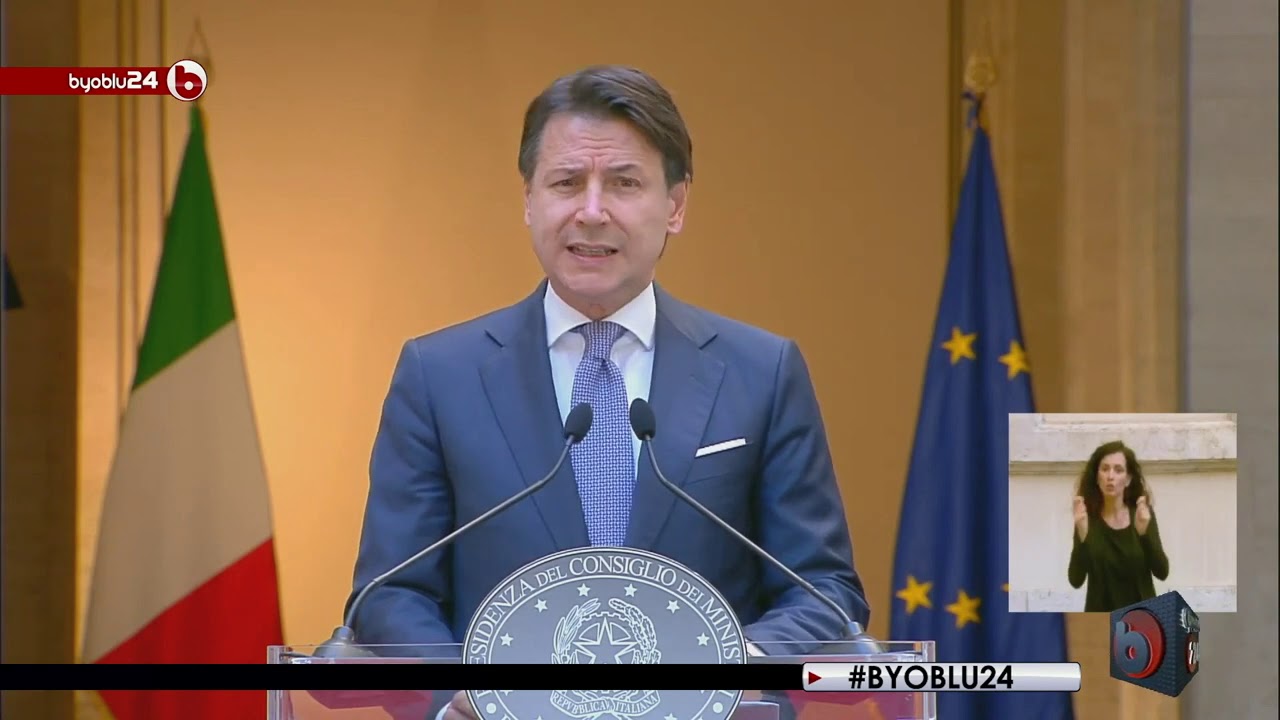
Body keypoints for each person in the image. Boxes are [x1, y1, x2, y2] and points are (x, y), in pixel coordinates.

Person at [347, 64, 869, 719]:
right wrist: (471, 690)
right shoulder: (438, 374)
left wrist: (735, 669)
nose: (591, 213)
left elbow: (822, 587)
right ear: (529, 201)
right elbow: (389, 592)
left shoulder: (760, 371)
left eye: (624, 183)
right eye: (566, 183)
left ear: (675, 205)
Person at [1067, 440, 1170, 612]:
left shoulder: (1141, 514)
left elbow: (1162, 572)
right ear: (1097, 477)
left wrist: (1144, 534)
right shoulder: (1086, 518)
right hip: (1101, 618)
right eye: (1105, 469)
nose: (1110, 476)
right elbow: (1075, 580)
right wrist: (1082, 535)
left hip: (1142, 619)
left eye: (1118, 470)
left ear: (1128, 479)